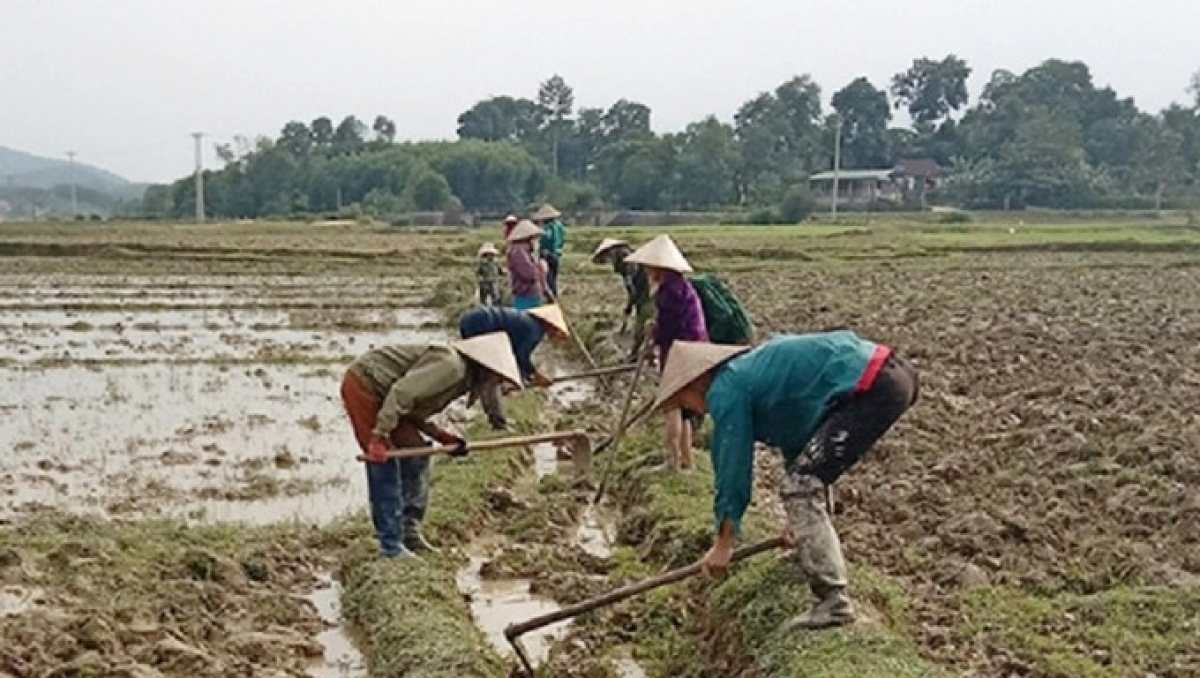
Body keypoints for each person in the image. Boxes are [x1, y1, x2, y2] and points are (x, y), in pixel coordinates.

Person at [651, 333, 920, 630]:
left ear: (695, 384)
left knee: (800, 487)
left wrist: (724, 542)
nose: (694, 410)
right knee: (805, 480)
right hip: (893, 375)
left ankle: (833, 601)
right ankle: (813, 552)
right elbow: (800, 439)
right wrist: (798, 525)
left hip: (873, 385)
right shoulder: (747, 374)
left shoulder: (725, 389)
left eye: (684, 402)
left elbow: (733, 464)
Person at [340, 332, 523, 559]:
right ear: (486, 369)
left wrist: (441, 435)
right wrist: (379, 435)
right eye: (497, 379)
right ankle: (390, 544)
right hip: (367, 385)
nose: (496, 385)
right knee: (384, 458)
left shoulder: (461, 378)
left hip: (389, 397)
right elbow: (402, 393)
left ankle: (410, 530)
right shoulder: (451, 366)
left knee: (417, 452)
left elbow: (413, 408)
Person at [625, 234, 708, 472]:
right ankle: (686, 460)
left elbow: (670, 328)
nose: (646, 270)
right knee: (684, 408)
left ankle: (672, 462)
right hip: (693, 349)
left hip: (680, 351)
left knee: (671, 403)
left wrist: (655, 333)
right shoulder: (680, 285)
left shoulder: (668, 291)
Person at [458, 304, 572, 428]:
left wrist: (519, 377)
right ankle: (498, 423)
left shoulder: (526, 321)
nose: (555, 335)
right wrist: (537, 375)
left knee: (483, 371)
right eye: (556, 331)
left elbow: (514, 356)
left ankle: (485, 407)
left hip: (470, 320)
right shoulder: (535, 330)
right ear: (550, 325)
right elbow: (521, 356)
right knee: (490, 376)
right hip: (482, 325)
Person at [591, 238, 652, 363]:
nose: (607, 261)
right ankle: (646, 354)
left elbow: (634, 288)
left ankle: (635, 355)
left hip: (648, 293)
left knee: (643, 323)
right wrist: (629, 307)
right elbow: (631, 288)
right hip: (644, 291)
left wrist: (629, 307)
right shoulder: (623, 260)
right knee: (646, 323)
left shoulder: (627, 260)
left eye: (607, 257)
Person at [506, 219, 545, 311]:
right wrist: (540, 268)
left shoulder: (527, 251)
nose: (537, 241)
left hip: (531, 294)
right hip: (526, 295)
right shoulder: (518, 251)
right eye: (535, 238)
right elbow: (529, 274)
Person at [532, 204, 565, 299]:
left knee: (547, 277)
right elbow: (562, 240)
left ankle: (551, 297)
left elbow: (547, 237)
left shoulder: (548, 228)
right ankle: (554, 295)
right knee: (554, 277)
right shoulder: (560, 226)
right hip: (556, 254)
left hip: (547, 254)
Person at [475, 242, 503, 307]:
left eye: (491, 254)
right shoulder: (482, 263)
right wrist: (480, 279)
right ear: (485, 255)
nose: (490, 256)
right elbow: (478, 273)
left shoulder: (496, 262)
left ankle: (495, 309)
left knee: (496, 298)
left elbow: (500, 271)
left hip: (494, 282)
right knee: (483, 299)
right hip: (485, 283)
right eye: (488, 254)